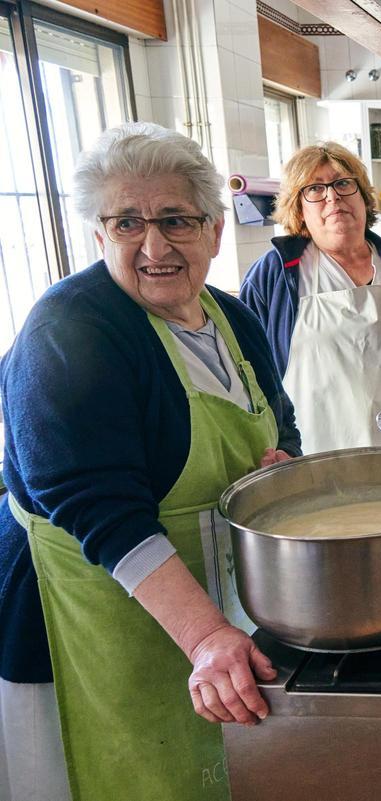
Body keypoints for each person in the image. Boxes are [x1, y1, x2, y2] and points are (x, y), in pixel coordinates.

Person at [0, 122, 301, 801]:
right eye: (127, 222)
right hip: (85, 616)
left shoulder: (230, 317)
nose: (154, 244)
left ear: (215, 231)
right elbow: (98, 507)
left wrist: (280, 471)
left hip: (209, 605)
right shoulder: (69, 331)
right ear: (98, 234)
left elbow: (281, 419)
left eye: (175, 220)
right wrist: (204, 636)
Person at [241, 143, 381, 454]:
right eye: (315, 189)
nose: (333, 197)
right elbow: (248, 374)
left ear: (362, 196)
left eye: (344, 183)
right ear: (299, 208)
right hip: (318, 454)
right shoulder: (275, 275)